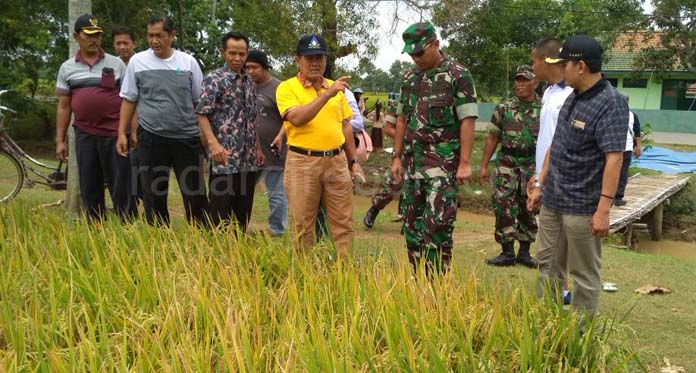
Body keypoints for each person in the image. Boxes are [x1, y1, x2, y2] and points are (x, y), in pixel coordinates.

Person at [528, 35, 628, 318]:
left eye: (565, 64)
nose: (562, 69)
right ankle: (546, 325)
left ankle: (578, 338)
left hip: (582, 207)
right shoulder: (572, 97)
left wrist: (604, 210)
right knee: (547, 265)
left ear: (580, 66)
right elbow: (555, 145)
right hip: (553, 202)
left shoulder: (611, 102)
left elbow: (615, 158)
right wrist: (539, 184)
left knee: (583, 273)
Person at [391, 22, 478, 276]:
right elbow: (401, 119)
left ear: (436, 44)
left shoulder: (458, 75)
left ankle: (437, 284)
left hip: (443, 163)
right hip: (412, 164)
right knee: (411, 223)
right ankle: (418, 278)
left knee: (437, 224)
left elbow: (467, 120)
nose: (415, 58)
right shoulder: (409, 78)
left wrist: (464, 162)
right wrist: (396, 157)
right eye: (411, 54)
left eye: (420, 52)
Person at [275, 34, 365, 257]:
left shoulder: (335, 89)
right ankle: (305, 275)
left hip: (336, 162)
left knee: (343, 222)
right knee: (303, 224)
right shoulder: (287, 88)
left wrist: (353, 162)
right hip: (302, 163)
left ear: (325, 61)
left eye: (319, 57)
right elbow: (296, 118)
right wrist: (327, 95)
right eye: (309, 58)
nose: (315, 62)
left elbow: (345, 126)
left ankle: (343, 271)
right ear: (298, 60)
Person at [117, 15, 208, 226]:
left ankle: (204, 238)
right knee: (154, 194)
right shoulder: (137, 62)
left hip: (187, 138)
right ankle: (159, 240)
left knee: (195, 194)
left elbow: (200, 103)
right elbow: (129, 99)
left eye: (159, 35)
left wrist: (205, 137)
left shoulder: (188, 62)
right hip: (151, 138)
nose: (154, 41)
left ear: (172, 36)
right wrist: (122, 132)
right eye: (150, 36)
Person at [55, 14, 135, 220]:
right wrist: (60, 140)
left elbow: (130, 100)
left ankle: (128, 228)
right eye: (89, 35)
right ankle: (96, 228)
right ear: (76, 36)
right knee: (89, 184)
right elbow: (64, 107)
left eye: (97, 35)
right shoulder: (67, 68)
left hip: (115, 134)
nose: (94, 39)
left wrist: (131, 131)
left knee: (121, 184)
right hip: (84, 134)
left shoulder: (116, 64)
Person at [196, 32, 260, 231]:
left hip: (247, 159)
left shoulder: (249, 81)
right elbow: (202, 114)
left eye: (242, 54)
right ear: (223, 52)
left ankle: (237, 254)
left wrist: (257, 148)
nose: (237, 58)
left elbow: (252, 118)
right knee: (219, 213)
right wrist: (213, 143)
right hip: (225, 157)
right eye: (232, 53)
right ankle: (214, 255)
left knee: (243, 213)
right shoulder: (214, 79)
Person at [479, 65, 540, 268]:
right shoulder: (504, 108)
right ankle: (506, 253)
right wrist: (484, 166)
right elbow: (492, 137)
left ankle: (524, 252)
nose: (520, 84)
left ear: (535, 83)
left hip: (531, 166)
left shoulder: (545, 108)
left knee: (528, 208)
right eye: (518, 80)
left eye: (525, 80)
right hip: (506, 165)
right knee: (503, 207)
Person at [529, 37, 575, 302]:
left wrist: (543, 180)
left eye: (534, 60)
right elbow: (546, 139)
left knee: (561, 241)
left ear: (546, 60)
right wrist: (537, 177)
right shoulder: (548, 92)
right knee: (549, 242)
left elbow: (560, 143)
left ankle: (559, 293)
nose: (532, 66)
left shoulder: (571, 94)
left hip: (561, 179)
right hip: (544, 176)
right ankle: (557, 291)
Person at [245, 49, 288, 236]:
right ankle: (240, 225)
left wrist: (279, 137)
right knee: (244, 190)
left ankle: (276, 230)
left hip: (273, 150)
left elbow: (290, 118)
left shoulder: (279, 88)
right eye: (247, 68)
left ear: (264, 67)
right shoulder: (247, 85)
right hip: (250, 149)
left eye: (254, 67)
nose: (250, 71)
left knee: (276, 192)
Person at [363, 99, 402, 228]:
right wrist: (409, 138)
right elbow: (388, 129)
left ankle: (411, 221)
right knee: (392, 185)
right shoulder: (404, 98)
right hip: (405, 151)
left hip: (431, 153)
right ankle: (375, 207)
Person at [614, 102, 642, 206]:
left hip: (627, 148)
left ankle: (618, 197)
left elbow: (637, 131)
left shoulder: (632, 115)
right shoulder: (610, 113)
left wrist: (638, 147)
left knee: (623, 172)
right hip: (612, 148)